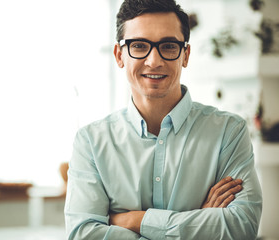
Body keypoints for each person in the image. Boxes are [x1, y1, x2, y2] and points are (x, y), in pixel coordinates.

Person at [64, 0, 262, 239]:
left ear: (185, 55)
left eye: (168, 46)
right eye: (139, 46)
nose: (154, 61)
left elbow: (242, 227)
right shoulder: (91, 142)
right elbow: (83, 234)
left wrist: (134, 220)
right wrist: (197, 222)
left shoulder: (228, 133)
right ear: (119, 55)